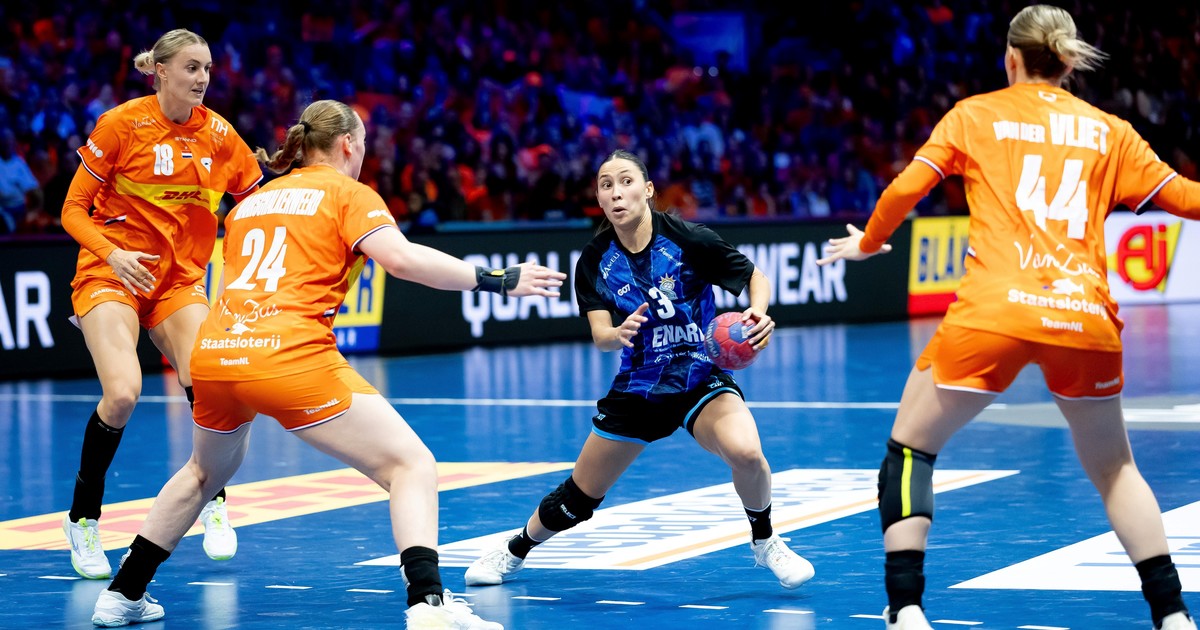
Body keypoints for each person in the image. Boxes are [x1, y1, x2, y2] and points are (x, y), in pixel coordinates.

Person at [90, 98, 566, 628]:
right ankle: (428, 604)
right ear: (347, 144)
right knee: (411, 466)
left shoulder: (252, 201)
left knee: (203, 474)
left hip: (216, 355)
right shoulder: (348, 193)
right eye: (363, 144)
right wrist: (496, 280)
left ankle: (122, 593)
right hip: (288, 357)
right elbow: (403, 260)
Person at [816, 6, 1200, 630]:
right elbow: (1185, 198)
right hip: (1084, 316)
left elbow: (905, 190)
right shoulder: (1112, 131)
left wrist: (869, 242)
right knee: (1116, 470)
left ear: (1011, 58)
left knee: (910, 451)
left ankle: (906, 609)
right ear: (1068, 62)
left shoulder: (974, 114)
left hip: (993, 312)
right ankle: (1173, 615)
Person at [464, 149, 815, 591]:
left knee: (746, 453)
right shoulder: (594, 260)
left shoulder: (689, 238)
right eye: (606, 184)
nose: (616, 192)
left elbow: (754, 277)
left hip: (698, 377)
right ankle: (515, 549)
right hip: (638, 388)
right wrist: (618, 333)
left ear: (648, 190)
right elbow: (600, 335)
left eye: (626, 181)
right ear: (599, 198)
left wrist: (757, 312)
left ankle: (765, 542)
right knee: (579, 497)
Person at [60, 28, 261, 580]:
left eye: (208, 69)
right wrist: (111, 252)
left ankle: (212, 500)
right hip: (111, 271)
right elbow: (72, 210)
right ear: (162, 71)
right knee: (123, 394)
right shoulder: (122, 124)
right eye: (192, 67)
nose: (203, 78)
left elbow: (254, 204)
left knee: (210, 381)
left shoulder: (220, 135)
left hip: (177, 282)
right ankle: (82, 519)